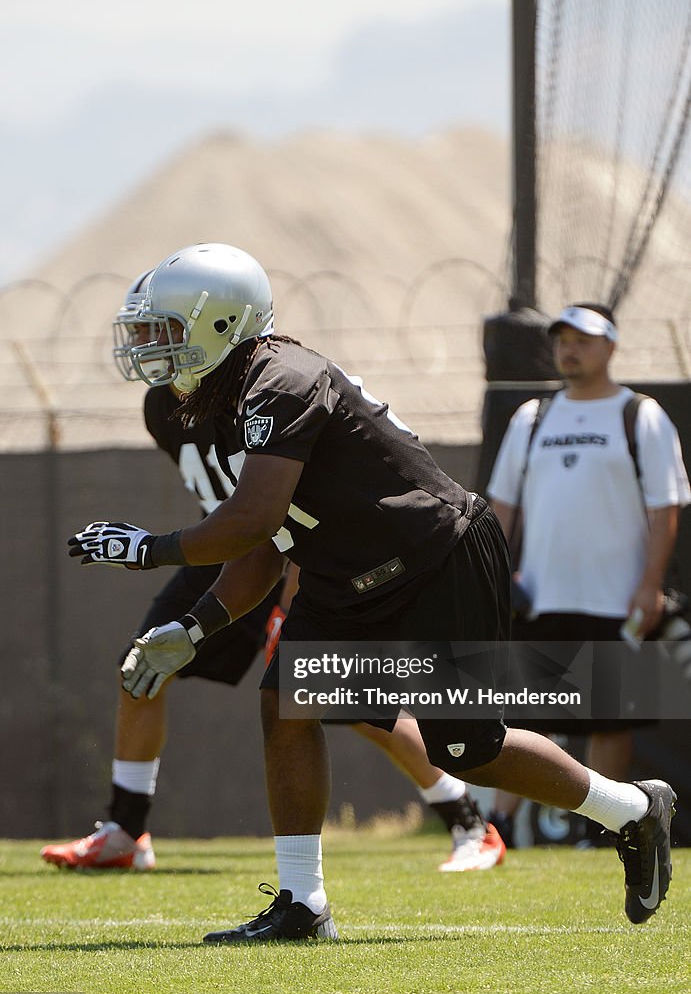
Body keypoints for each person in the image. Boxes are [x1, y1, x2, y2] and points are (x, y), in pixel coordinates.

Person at [67, 244, 677, 940]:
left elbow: (253, 519)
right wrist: (196, 628)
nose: (153, 348)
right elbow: (265, 546)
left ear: (219, 324)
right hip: (342, 572)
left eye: (166, 330)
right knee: (284, 705)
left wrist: (148, 549)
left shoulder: (281, 378)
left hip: (434, 556)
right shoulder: (227, 396)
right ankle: (303, 903)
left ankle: (629, 808)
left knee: (466, 747)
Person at [42, 271, 505, 874]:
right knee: (144, 665)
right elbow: (231, 511)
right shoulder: (164, 407)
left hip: (290, 549)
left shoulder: (266, 385)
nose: (150, 344)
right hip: (224, 546)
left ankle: (466, 818)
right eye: (147, 330)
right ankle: (126, 829)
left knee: (346, 700)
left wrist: (287, 598)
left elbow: (277, 513)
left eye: (164, 329)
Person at [486, 302, 690, 848]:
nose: (570, 348)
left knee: (609, 720)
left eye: (584, 339)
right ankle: (498, 829)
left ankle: (613, 829)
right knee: (527, 717)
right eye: (562, 339)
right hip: (539, 597)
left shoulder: (640, 414)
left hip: (615, 598)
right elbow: (501, 509)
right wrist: (495, 577)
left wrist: (649, 585)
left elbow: (664, 508)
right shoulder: (531, 418)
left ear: (611, 346)